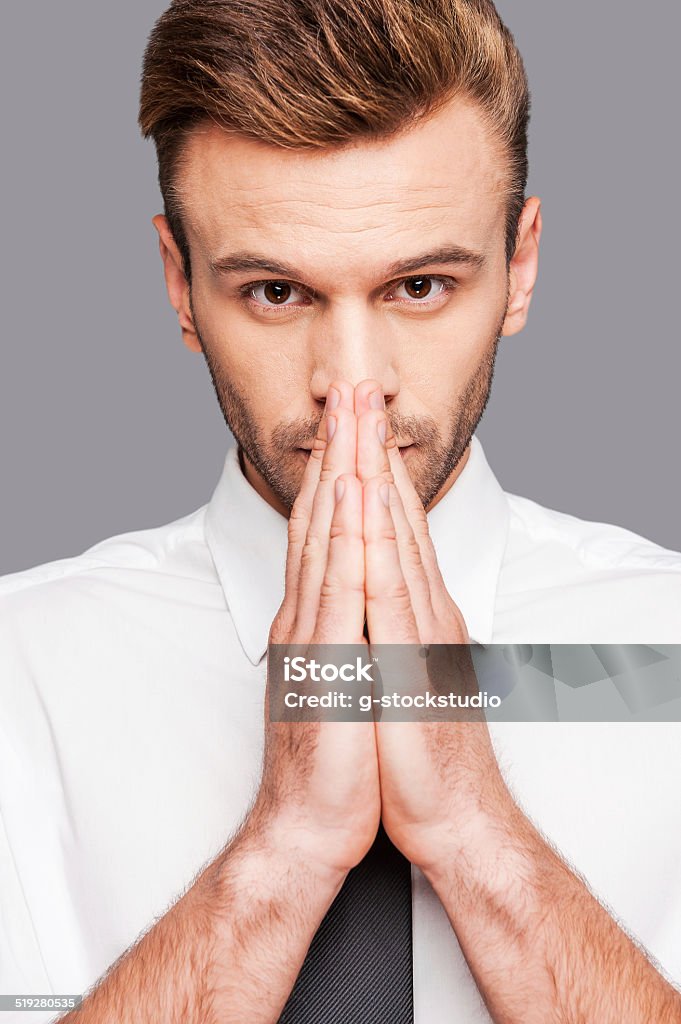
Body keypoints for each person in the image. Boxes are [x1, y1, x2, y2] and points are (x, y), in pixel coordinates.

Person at [1, 1, 680, 1021]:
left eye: (419, 284)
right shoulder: (23, 674)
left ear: (521, 265)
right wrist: (287, 850)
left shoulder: (664, 652)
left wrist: (469, 826)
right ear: (180, 284)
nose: (351, 386)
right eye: (277, 292)